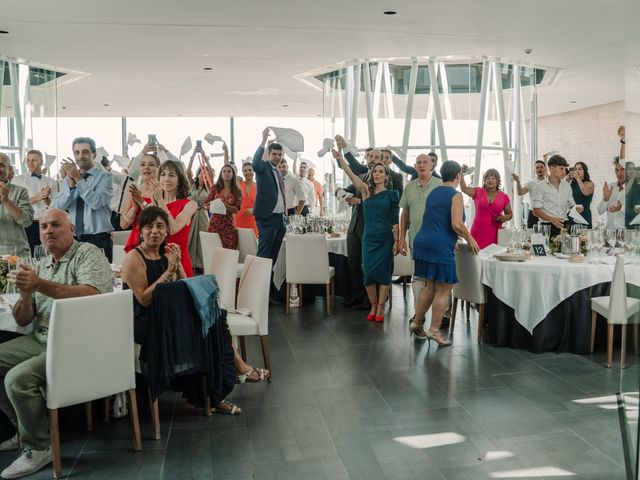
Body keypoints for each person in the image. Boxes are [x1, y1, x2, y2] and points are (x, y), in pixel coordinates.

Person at [1, 208, 112, 479]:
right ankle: (25, 431)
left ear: (71, 229)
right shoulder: (40, 264)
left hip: (79, 344)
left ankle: (39, 448)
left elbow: (91, 294)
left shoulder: (88, 254)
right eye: (43, 227)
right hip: (42, 339)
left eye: (56, 225)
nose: (48, 230)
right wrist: (26, 295)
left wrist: (39, 285)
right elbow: (24, 319)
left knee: (17, 380)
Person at [409, 161, 479, 346]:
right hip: (438, 245)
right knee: (444, 289)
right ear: (458, 176)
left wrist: (452, 239)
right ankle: (434, 331)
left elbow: (437, 220)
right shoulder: (455, 195)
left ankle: (416, 322)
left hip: (423, 242)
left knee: (430, 286)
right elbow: (456, 223)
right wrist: (469, 238)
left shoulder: (434, 192)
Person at [334, 148, 399, 323]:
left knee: (384, 274)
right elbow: (351, 173)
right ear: (371, 174)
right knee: (368, 273)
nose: (377, 174)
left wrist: (398, 241)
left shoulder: (392, 195)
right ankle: (373, 303)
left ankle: (379, 307)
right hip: (368, 239)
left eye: (380, 172)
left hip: (385, 238)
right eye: (374, 171)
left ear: (386, 176)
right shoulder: (365, 191)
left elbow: (395, 221)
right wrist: (340, 159)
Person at [52, 137, 114, 261]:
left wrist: (78, 179)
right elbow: (58, 207)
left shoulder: (105, 177)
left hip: (98, 240)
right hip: (73, 240)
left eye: (85, 152)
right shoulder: (69, 179)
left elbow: (96, 203)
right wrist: (70, 186)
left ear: (94, 154)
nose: (81, 156)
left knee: (99, 279)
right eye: (77, 152)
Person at [398, 154, 443, 318]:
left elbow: (449, 211)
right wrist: (401, 238)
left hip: (438, 240)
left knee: (439, 278)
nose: (422, 165)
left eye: (426, 162)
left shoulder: (440, 185)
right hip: (416, 239)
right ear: (415, 166)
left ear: (432, 165)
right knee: (418, 278)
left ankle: (443, 315)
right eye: (419, 162)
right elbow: (405, 213)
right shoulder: (409, 187)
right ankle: (419, 314)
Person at [150, 160, 197, 277]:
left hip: (179, 262)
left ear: (179, 180)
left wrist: (160, 201)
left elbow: (173, 229)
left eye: (171, 175)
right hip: (157, 260)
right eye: (163, 174)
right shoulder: (155, 204)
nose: (166, 179)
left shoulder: (190, 204)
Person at [252, 129, 287, 266]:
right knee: (263, 257)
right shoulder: (263, 168)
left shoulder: (277, 172)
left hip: (280, 220)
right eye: (274, 154)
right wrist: (263, 142)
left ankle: (268, 286)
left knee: (273, 259)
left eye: (280, 154)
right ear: (269, 154)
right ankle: (258, 286)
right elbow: (255, 164)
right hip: (267, 218)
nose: (277, 157)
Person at [10, 150, 58, 253]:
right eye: (28, 160)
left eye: (34, 160)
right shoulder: (18, 180)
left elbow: (55, 206)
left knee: (49, 254)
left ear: (41, 161)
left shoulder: (51, 181)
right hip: (28, 225)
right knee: (30, 254)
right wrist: (37, 197)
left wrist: (47, 200)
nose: (30, 163)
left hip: (47, 224)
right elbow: (14, 204)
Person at [459, 167, 512, 249]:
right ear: (484, 180)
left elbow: (510, 214)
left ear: (498, 181)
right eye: (488, 178)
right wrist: (461, 175)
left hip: (496, 232)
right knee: (476, 258)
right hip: (478, 231)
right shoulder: (477, 192)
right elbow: (464, 188)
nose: (490, 180)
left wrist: (505, 217)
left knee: (494, 257)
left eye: (493, 178)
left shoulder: (504, 197)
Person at [121, 154, 161, 252]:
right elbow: (123, 225)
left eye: (151, 165)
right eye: (143, 165)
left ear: (158, 168)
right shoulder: (133, 191)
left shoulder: (162, 192)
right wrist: (134, 208)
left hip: (155, 240)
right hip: (135, 240)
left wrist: (140, 201)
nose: (146, 167)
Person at [532, 155, 579, 237]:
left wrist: (576, 208)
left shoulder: (567, 186)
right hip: (546, 227)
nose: (564, 171)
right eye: (561, 168)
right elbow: (536, 211)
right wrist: (552, 219)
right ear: (551, 168)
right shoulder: (539, 186)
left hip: (564, 225)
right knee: (548, 249)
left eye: (565, 169)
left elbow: (572, 205)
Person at [0, 154, 33, 258]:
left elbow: (26, 221)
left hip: (16, 255)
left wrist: (6, 201)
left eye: (0, 165)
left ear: (9, 169)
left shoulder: (20, 191)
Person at [205, 164, 242, 250]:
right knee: (213, 252)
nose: (226, 173)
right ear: (221, 174)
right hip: (214, 225)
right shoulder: (215, 187)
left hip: (229, 226)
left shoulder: (237, 190)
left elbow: (237, 210)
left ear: (233, 174)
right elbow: (205, 204)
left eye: (229, 171)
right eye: (224, 171)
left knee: (229, 253)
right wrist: (213, 205)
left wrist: (225, 206)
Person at [512, 160, 548, 228]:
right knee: (531, 236)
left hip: (546, 213)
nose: (539, 169)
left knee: (545, 235)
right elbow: (520, 192)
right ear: (534, 170)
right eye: (537, 168)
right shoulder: (531, 182)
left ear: (545, 168)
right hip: (533, 213)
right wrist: (517, 181)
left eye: (541, 167)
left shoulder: (549, 182)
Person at [598, 158, 626, 229]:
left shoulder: (634, 189)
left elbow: (636, 212)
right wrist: (605, 199)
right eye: (617, 170)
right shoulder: (610, 186)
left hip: (625, 233)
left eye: (622, 169)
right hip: (609, 233)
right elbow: (600, 211)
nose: (619, 173)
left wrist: (621, 207)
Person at [568, 161, 594, 228]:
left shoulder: (589, 183)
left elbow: (585, 192)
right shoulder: (572, 185)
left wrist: (577, 178)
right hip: (572, 215)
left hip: (584, 215)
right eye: (575, 169)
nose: (577, 171)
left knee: (584, 237)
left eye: (580, 169)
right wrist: (566, 181)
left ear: (584, 171)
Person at [235, 162, 258, 236]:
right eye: (245, 171)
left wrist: (253, 210)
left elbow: (263, 205)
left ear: (253, 171)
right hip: (238, 219)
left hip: (252, 220)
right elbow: (228, 169)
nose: (247, 172)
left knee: (252, 244)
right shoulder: (239, 183)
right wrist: (226, 152)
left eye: (250, 170)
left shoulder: (258, 186)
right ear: (242, 172)